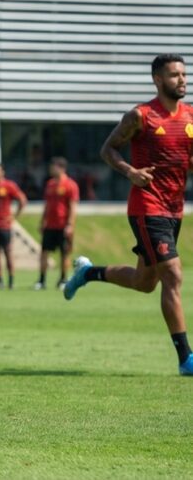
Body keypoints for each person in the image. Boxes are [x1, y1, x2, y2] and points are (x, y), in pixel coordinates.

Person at [67, 54, 193, 376]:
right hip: (146, 207)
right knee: (174, 275)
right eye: (174, 75)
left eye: (183, 74)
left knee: (145, 282)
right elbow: (108, 149)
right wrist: (130, 171)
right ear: (157, 80)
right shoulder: (141, 116)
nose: (182, 80)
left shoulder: (191, 116)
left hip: (174, 209)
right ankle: (186, 359)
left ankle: (88, 273)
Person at [36, 157, 79, 290]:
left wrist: (70, 225)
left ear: (61, 168)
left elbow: (72, 207)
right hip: (50, 225)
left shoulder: (70, 185)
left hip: (62, 225)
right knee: (44, 252)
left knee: (64, 253)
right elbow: (47, 205)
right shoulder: (50, 184)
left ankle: (63, 279)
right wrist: (42, 221)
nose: (51, 169)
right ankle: (42, 280)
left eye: (53, 167)